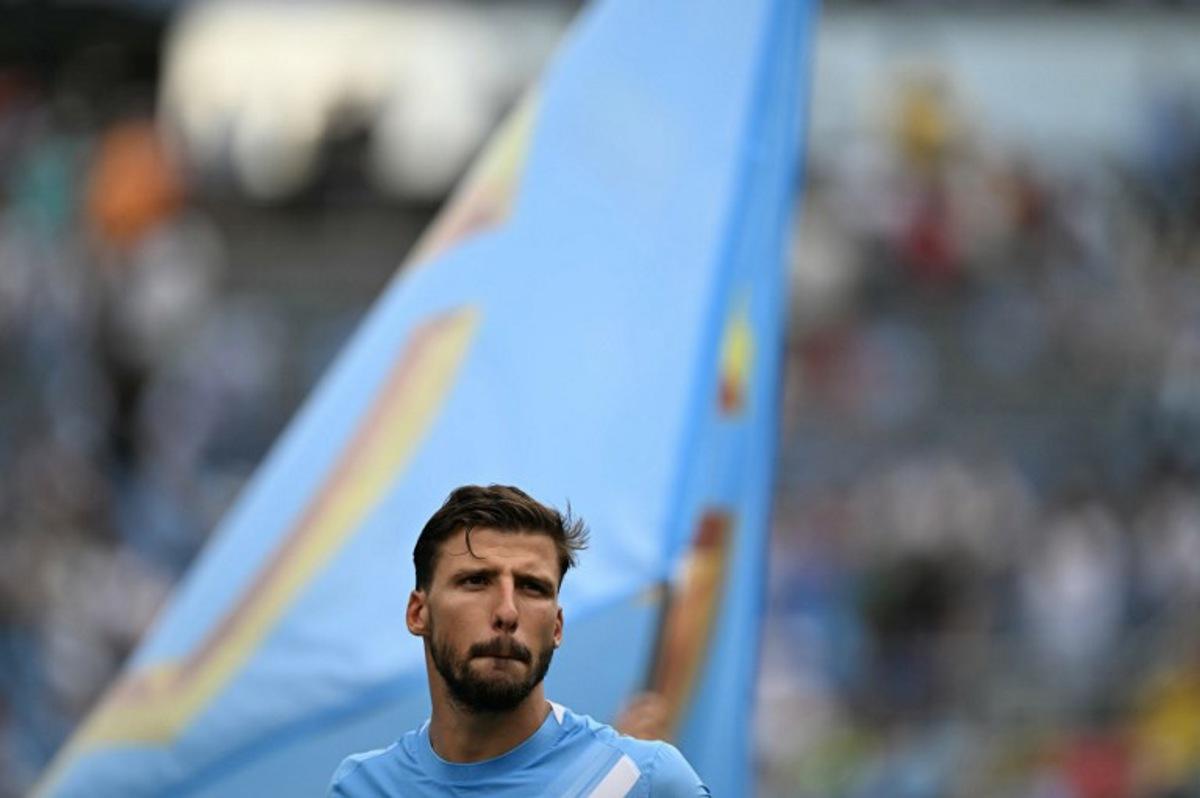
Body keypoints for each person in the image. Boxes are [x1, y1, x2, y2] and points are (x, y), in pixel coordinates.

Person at [328, 484, 710, 797]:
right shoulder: (362, 787)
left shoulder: (642, 781)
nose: (508, 612)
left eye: (532, 588)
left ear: (557, 626)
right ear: (418, 613)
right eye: (476, 581)